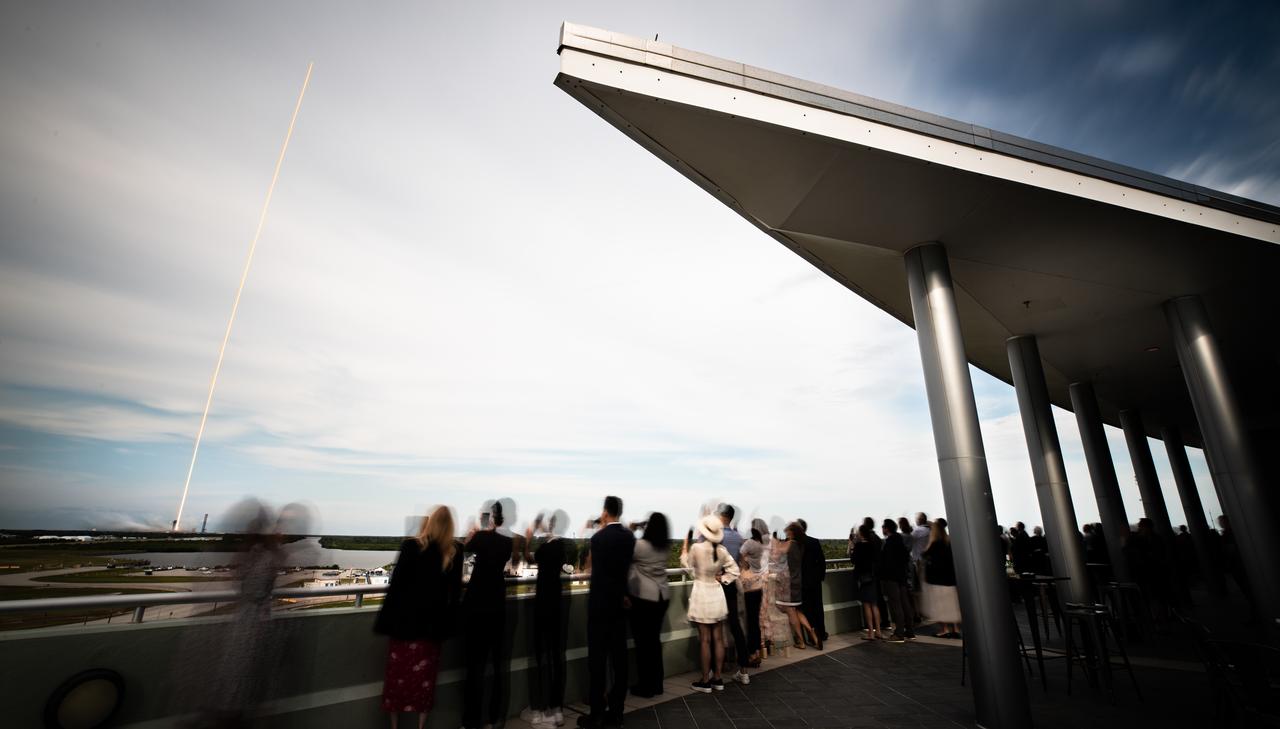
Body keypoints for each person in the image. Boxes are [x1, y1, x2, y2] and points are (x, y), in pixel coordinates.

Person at [374, 506, 463, 729]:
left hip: (403, 626)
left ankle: (394, 726)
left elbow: (395, 588)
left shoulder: (411, 546)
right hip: (432, 631)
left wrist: (384, 621)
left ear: (429, 522)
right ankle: (421, 726)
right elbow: (454, 594)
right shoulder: (454, 551)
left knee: (396, 679)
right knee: (425, 681)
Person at [579, 496, 635, 729]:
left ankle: (597, 712)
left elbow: (590, 567)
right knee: (619, 660)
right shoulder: (628, 537)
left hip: (599, 606)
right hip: (619, 606)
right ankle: (617, 711)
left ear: (605, 512)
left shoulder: (598, 538)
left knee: (598, 661)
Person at [461, 501, 514, 729]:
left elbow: (463, 549)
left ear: (490, 518)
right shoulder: (507, 542)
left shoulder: (481, 539)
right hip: (497, 605)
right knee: (497, 665)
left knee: (475, 667)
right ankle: (493, 719)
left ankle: (472, 721)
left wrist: (474, 532)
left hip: (477, 606)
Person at [521, 511, 573, 729]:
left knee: (541, 658)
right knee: (557, 657)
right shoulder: (564, 546)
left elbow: (528, 557)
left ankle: (540, 711)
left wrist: (529, 536)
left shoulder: (547, 547)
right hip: (559, 605)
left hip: (543, 604)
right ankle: (557, 710)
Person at [681, 514, 740, 693]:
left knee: (705, 640)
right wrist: (723, 578)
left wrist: (685, 546)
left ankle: (705, 680)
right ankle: (718, 678)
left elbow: (687, 566)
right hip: (717, 592)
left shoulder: (697, 548)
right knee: (718, 638)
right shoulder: (721, 551)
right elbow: (735, 571)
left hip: (701, 592)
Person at [627, 513, 671, 699]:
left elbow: (625, 551)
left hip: (644, 598)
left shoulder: (641, 546)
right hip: (662, 596)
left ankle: (646, 686)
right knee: (654, 642)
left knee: (643, 644)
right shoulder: (666, 546)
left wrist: (632, 529)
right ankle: (657, 683)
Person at [711, 504, 751, 681]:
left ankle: (714, 670)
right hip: (733, 584)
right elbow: (742, 563)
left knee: (715, 627)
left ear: (720, 515)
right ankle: (744, 671)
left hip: (717, 584)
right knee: (736, 626)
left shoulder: (715, 536)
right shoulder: (737, 537)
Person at [774, 522, 820, 649]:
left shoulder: (790, 545)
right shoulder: (800, 546)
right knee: (797, 610)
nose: (785, 532)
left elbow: (777, 556)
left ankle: (801, 641)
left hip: (788, 582)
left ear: (792, 532)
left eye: (787, 530)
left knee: (790, 611)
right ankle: (811, 631)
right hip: (797, 580)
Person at [920, 517, 961, 639]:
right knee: (951, 607)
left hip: (937, 581)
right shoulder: (949, 543)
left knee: (940, 607)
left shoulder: (934, 544)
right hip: (950, 581)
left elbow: (925, 556)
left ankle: (944, 630)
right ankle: (955, 629)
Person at [878, 518, 916, 642]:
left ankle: (899, 633)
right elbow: (905, 558)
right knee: (905, 604)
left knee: (896, 605)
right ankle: (910, 631)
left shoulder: (889, 543)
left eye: (883, 527)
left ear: (886, 529)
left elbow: (885, 562)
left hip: (891, 578)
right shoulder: (900, 541)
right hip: (902, 577)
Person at [738, 519, 768, 669]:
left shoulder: (749, 544)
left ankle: (751, 654)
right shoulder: (760, 543)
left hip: (749, 584)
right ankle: (756, 652)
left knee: (748, 622)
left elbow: (740, 555)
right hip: (759, 584)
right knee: (755, 621)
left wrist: (744, 564)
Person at [797, 518, 827, 645]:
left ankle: (812, 636)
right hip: (815, 581)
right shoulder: (814, 542)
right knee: (818, 607)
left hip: (802, 582)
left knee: (807, 609)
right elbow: (822, 562)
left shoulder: (795, 543)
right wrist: (820, 577)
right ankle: (822, 633)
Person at [850, 523, 882, 640]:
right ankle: (878, 630)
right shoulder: (872, 545)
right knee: (874, 604)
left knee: (866, 605)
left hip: (863, 578)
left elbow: (853, 560)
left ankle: (871, 632)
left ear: (861, 534)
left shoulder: (858, 546)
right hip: (872, 577)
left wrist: (852, 545)